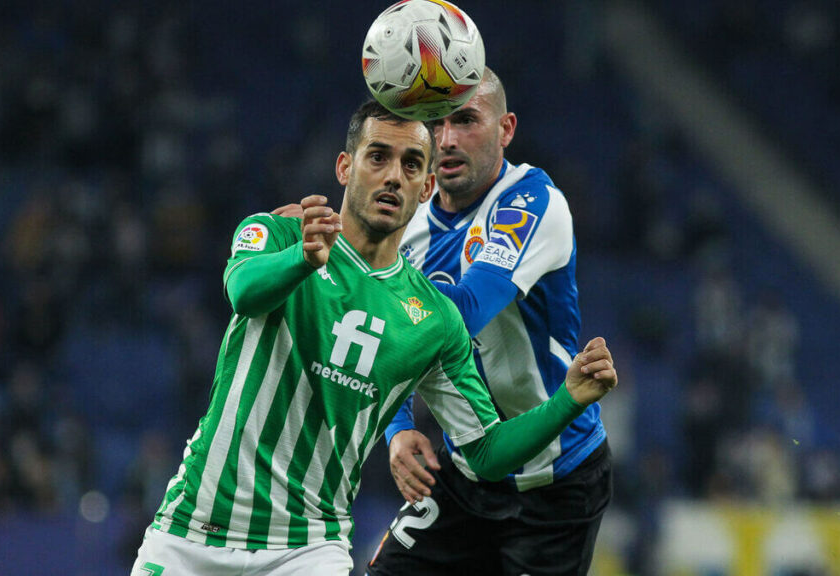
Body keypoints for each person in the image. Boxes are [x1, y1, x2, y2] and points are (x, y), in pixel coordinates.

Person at [130, 100, 619, 576]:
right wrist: (302, 258)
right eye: (378, 157)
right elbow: (243, 294)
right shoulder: (279, 231)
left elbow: (487, 453)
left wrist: (570, 399)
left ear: (427, 186)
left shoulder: (435, 317)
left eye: (410, 165)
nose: (393, 176)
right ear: (345, 167)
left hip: (307, 549)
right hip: (192, 527)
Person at [367, 68, 612, 576]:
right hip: (464, 473)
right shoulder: (408, 221)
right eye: (434, 125)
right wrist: (398, 426)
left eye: (466, 120)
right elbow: (378, 334)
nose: (447, 140)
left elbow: (467, 311)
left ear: (506, 129)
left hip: (556, 482)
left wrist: (374, 288)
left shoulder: (532, 202)